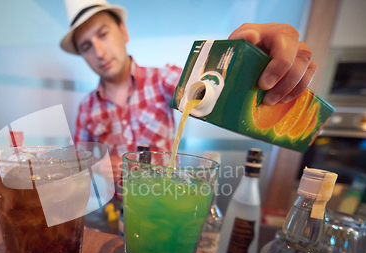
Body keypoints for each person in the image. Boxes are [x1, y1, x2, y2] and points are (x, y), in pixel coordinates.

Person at [60, 0, 316, 181]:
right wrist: (97, 168)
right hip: (112, 215)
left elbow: (216, 91)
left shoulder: (162, 80)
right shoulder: (86, 108)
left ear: (123, 31)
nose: (99, 52)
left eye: (103, 35)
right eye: (86, 46)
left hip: (160, 202)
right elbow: (75, 166)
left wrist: (249, 66)